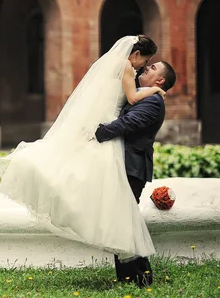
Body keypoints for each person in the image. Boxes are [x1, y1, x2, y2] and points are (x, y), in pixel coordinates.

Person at [0, 35, 163, 265]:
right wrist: (155, 91)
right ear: (137, 54)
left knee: (96, 187)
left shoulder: (112, 64)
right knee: (109, 194)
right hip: (107, 129)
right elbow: (132, 98)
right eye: (146, 61)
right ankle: (130, 263)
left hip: (104, 125)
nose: (143, 66)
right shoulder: (126, 66)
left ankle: (123, 258)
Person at [95, 60, 177, 287]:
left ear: (160, 81)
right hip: (124, 165)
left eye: (152, 69)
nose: (146, 68)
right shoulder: (142, 94)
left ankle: (142, 276)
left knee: (126, 219)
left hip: (133, 167)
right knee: (119, 220)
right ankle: (128, 276)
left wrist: (97, 132)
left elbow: (128, 124)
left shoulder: (153, 101)